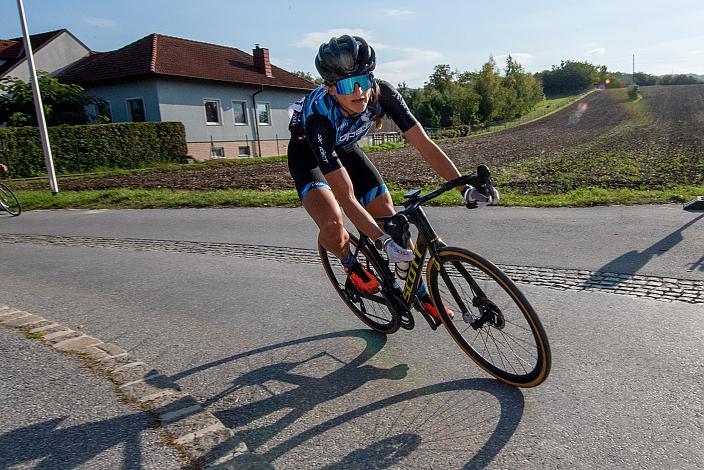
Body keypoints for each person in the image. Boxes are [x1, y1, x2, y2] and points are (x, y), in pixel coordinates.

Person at [287, 35, 498, 320]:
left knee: (389, 216)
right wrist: (383, 242)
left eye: (364, 79)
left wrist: (463, 188)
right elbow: (347, 198)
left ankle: (422, 294)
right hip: (309, 155)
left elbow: (424, 144)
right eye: (349, 85)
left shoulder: (383, 94)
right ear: (331, 89)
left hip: (346, 148)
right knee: (333, 220)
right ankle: (350, 263)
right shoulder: (319, 120)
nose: (360, 91)